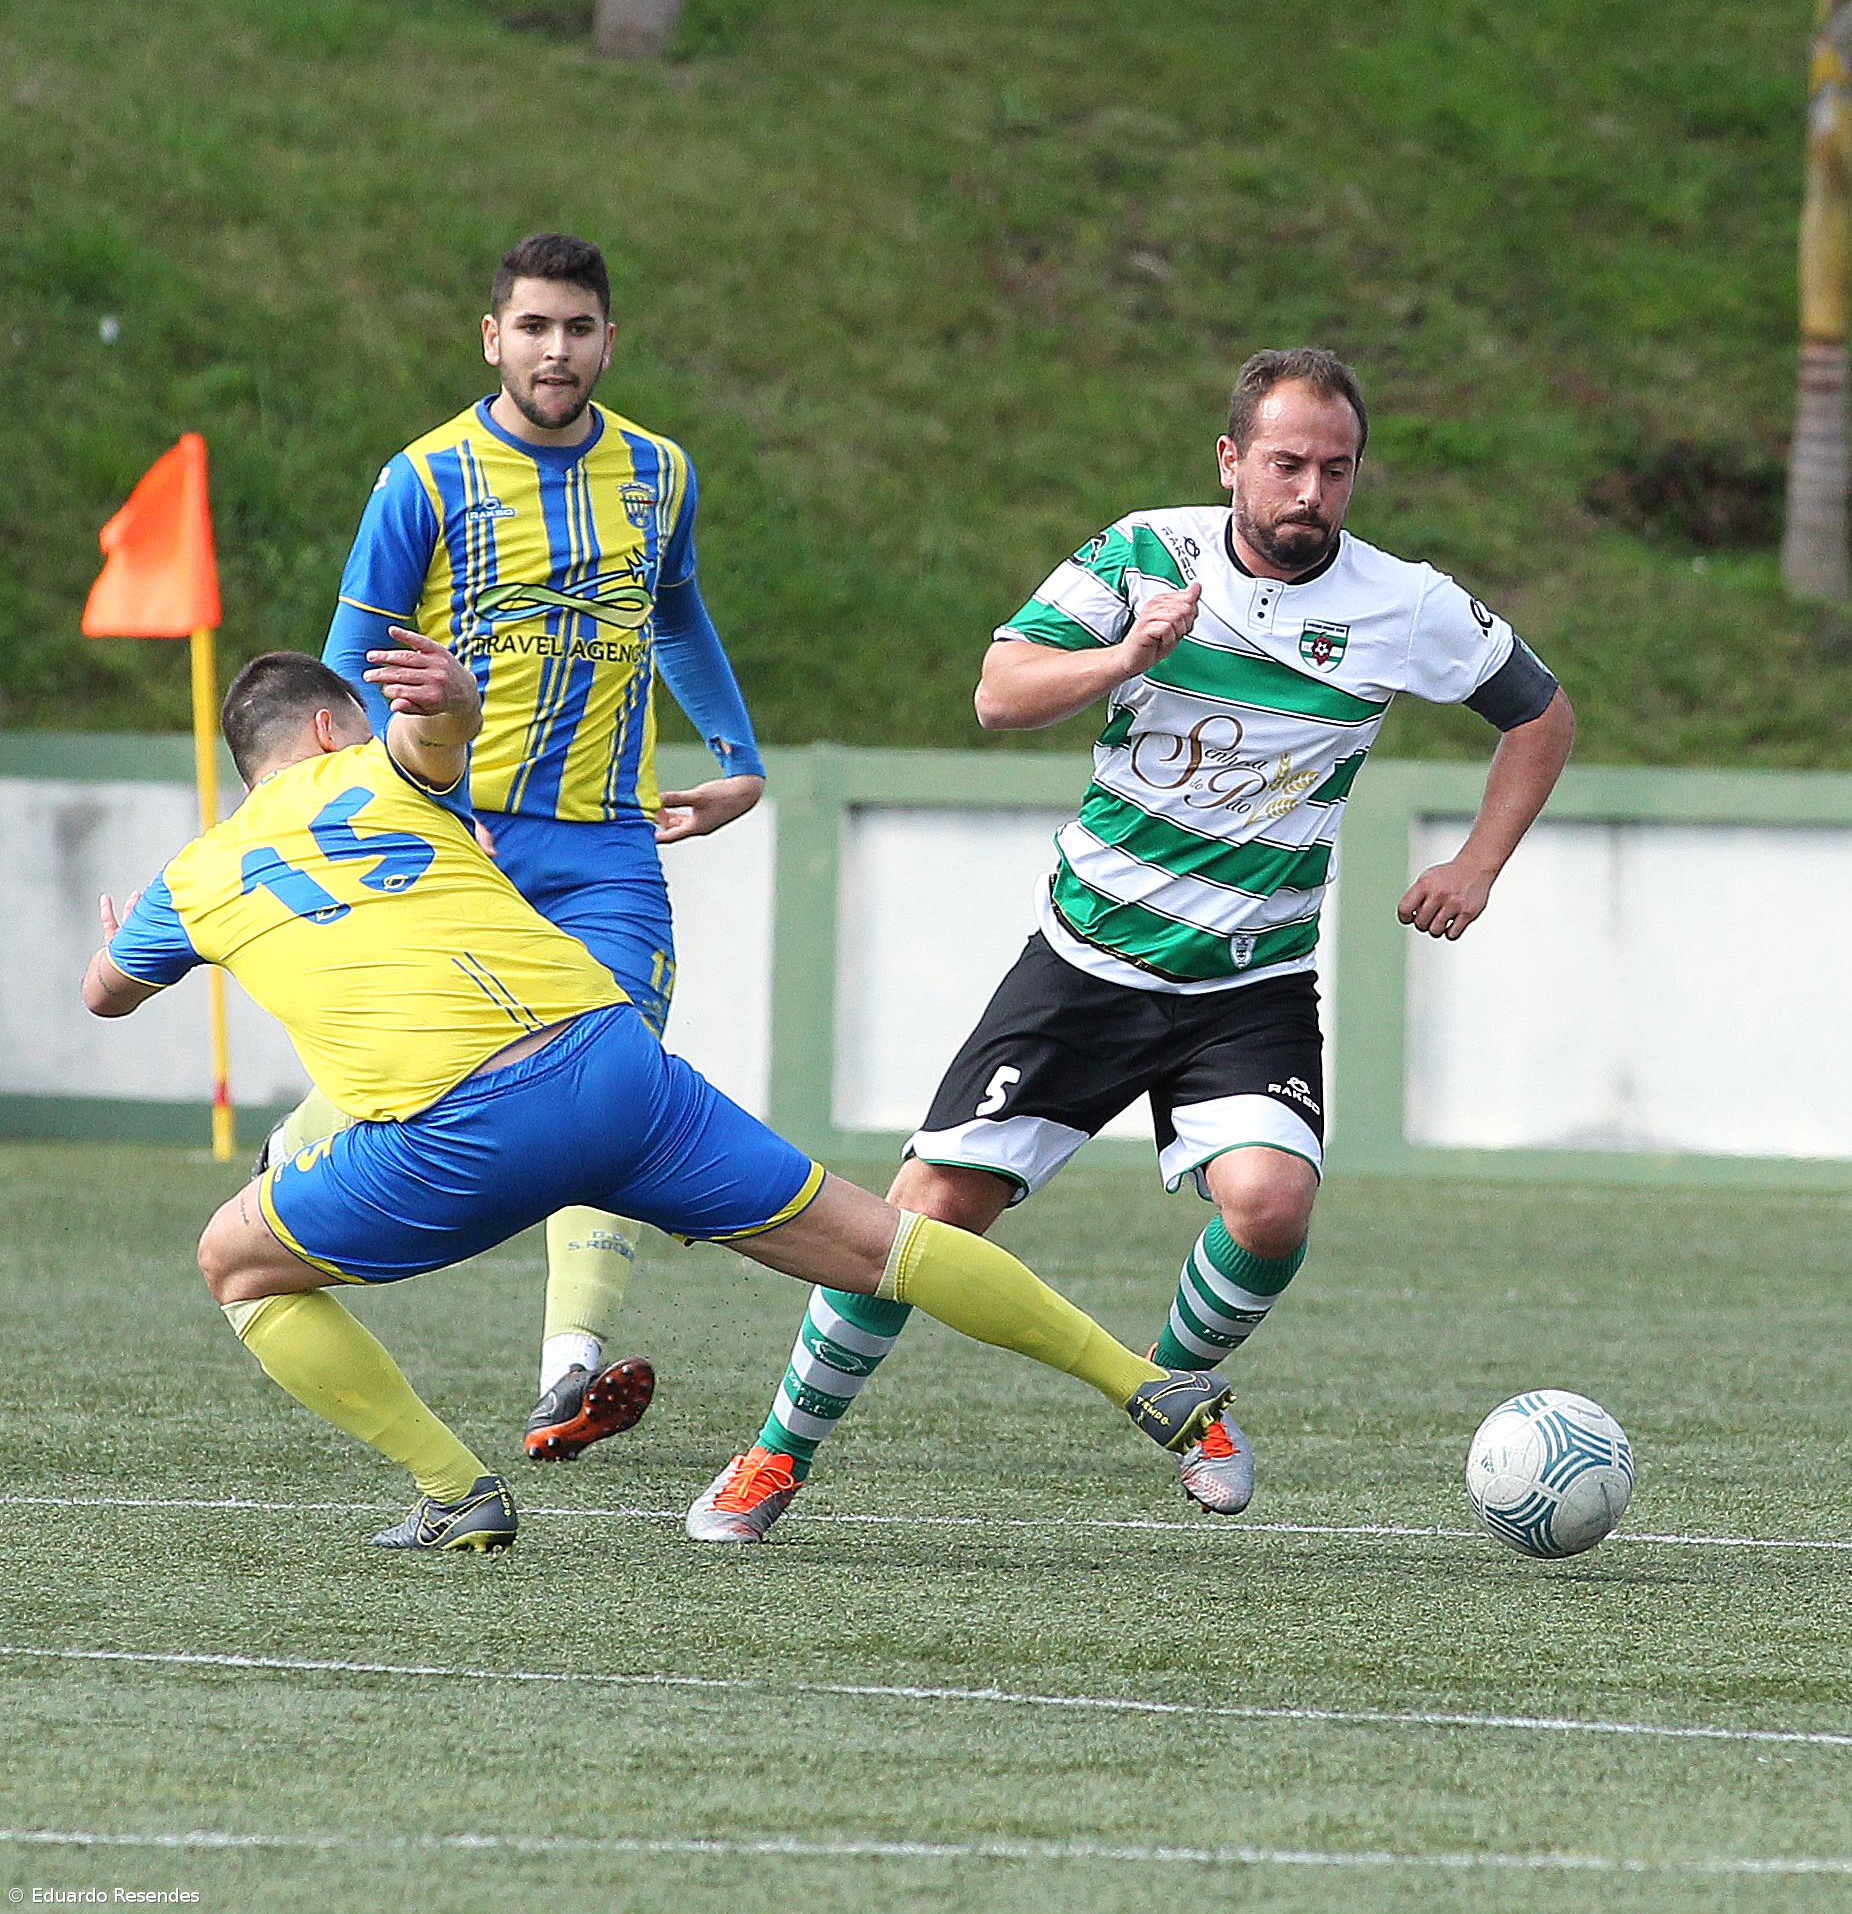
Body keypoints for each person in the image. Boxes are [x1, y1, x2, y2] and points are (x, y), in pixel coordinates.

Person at [687, 346, 1576, 1539]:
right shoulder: (1145, 553)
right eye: (1284, 465)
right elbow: (999, 694)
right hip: (1086, 964)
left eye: (1335, 469)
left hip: (1247, 985)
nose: (1310, 493)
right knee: (924, 1218)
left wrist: (1476, 866)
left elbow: (1541, 715)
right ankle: (773, 1459)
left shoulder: (1404, 604)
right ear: (1229, 463)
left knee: (1270, 1204)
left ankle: (1177, 1396)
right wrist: (1127, 657)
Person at [82, 637, 1227, 1553]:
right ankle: (1151, 1387)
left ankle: (456, 1492)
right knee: (887, 1243)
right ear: (334, 724)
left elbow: (105, 997)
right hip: (613, 1066)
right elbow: (436, 735)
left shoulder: (195, 874)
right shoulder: (378, 767)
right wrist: (448, 698)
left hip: (459, 1135)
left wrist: (129, 932)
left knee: (233, 1260)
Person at [286, 230, 769, 1461]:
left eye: (581, 328)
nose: (558, 350)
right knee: (397, 1088)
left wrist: (736, 758)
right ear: (492, 337)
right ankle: (273, 1220)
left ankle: (569, 1375)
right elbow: (348, 667)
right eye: (536, 327)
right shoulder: (424, 479)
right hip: (461, 846)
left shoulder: (660, 472)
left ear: (612, 340)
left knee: (608, 1079)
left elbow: (678, 615)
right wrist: (345, 821)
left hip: (609, 847)